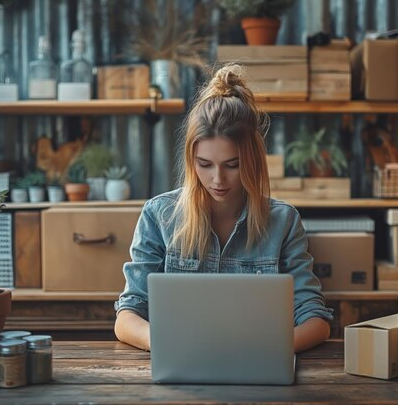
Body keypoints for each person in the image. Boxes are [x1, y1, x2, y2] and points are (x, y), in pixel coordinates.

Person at [114, 65, 333, 353]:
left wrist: (262, 351)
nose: (218, 179)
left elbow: (315, 319)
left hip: (259, 368)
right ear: (191, 159)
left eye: (232, 165)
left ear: (252, 160)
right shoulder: (159, 215)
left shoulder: (283, 221)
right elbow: (128, 314)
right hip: (182, 363)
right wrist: (167, 343)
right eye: (205, 164)